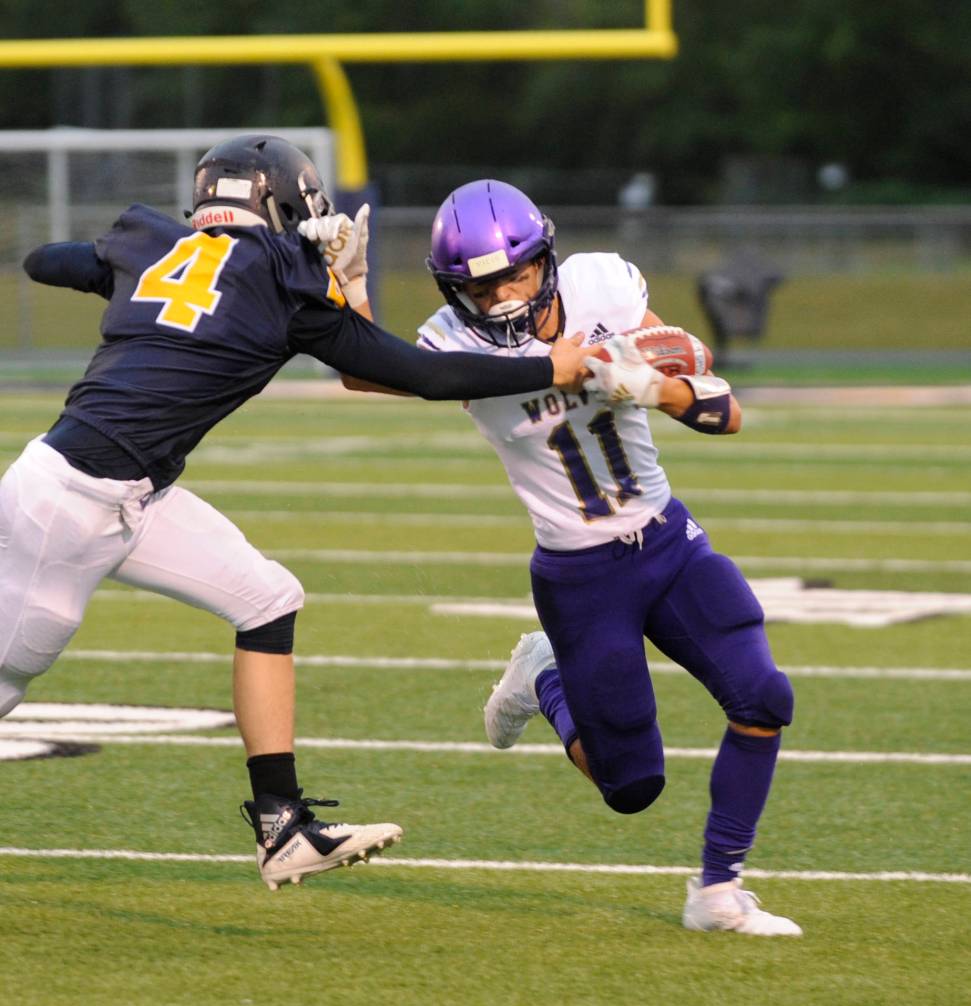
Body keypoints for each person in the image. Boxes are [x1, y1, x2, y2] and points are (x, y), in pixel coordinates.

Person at [1, 140, 595, 892]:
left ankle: (282, 829)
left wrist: (124, 277)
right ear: (285, 206)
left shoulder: (155, 244)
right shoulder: (284, 280)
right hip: (72, 505)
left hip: (124, 489)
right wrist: (548, 366)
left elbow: (43, 262)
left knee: (267, 598)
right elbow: (416, 373)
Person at [345, 178, 800, 934]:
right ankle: (544, 676)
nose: (498, 300)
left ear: (545, 259)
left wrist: (651, 387)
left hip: (665, 541)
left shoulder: (601, 287)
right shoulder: (452, 343)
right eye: (478, 288)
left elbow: (718, 399)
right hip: (579, 574)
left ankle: (717, 891)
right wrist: (350, 286)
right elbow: (361, 368)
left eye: (513, 277)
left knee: (763, 698)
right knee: (629, 787)